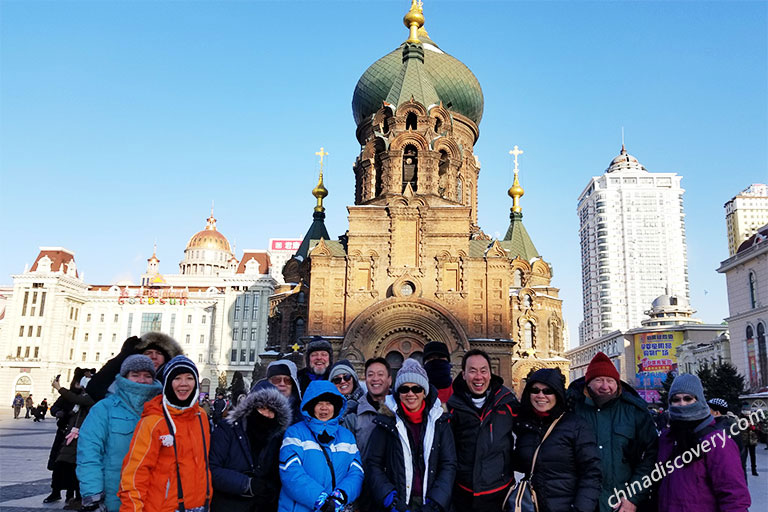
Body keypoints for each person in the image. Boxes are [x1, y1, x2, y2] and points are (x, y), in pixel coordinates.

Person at [567, 351, 658, 512]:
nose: (605, 386)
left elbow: (651, 456)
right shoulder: (572, 408)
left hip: (622, 502)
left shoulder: (635, 411)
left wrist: (633, 497)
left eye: (610, 380)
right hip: (580, 502)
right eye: (598, 380)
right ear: (588, 383)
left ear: (618, 383)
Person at [119, 355, 212, 512]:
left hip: (199, 506)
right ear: (168, 383)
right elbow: (135, 474)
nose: (184, 384)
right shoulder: (154, 421)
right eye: (177, 378)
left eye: (189, 378)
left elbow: (203, 465)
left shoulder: (201, 416)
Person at [366, 358, 456, 512]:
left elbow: (448, 464)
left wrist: (435, 502)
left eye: (416, 389)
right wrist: (390, 499)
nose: (410, 394)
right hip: (397, 503)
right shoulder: (386, 422)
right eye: (404, 389)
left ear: (425, 392)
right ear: (397, 393)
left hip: (430, 502)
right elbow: (373, 464)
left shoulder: (439, 422)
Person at [76, 355, 162, 512]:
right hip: (114, 500)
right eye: (135, 375)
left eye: (147, 376)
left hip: (154, 500)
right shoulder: (104, 409)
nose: (141, 380)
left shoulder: (162, 412)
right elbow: (89, 455)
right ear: (124, 377)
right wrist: (93, 496)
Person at [657, 374, 750, 511]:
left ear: (699, 400)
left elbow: (734, 496)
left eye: (688, 398)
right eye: (676, 399)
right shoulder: (667, 439)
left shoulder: (717, 441)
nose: (682, 404)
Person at [513, 368, 601, 512]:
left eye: (548, 391)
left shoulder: (576, 425)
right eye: (535, 390)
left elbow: (591, 474)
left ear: (558, 394)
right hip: (532, 506)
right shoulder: (523, 426)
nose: (541, 395)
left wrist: (580, 509)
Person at [446, 349, 518, 512]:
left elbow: (530, 431)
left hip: (500, 494)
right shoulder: (452, 407)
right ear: (463, 374)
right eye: (472, 371)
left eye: (483, 370)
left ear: (490, 374)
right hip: (463, 495)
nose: (479, 377)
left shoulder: (506, 402)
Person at [278, 380, 364, 512]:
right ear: (311, 406)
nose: (324, 408)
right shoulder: (295, 433)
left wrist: (340, 497)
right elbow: (290, 471)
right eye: (319, 403)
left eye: (329, 403)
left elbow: (356, 472)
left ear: (335, 407)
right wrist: (319, 499)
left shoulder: (347, 437)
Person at [210, 380, 293, 512]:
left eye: (271, 410)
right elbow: (212, 469)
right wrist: (247, 484)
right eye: (262, 408)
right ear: (250, 408)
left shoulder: (277, 438)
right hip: (228, 505)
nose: (266, 414)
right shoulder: (228, 429)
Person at [86, 332, 183, 402]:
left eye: (159, 353)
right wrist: (123, 356)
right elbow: (94, 388)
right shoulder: (122, 384)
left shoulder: (173, 382)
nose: (154, 357)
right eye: (148, 353)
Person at [51, 374, 95, 510]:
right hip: (71, 437)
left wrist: (58, 387)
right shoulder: (80, 400)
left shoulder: (89, 398)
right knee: (66, 467)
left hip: (81, 439)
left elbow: (74, 398)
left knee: (77, 469)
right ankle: (64, 494)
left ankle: (80, 498)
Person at [266, 359, 303, 424]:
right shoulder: (256, 409)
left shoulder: (301, 413)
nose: (282, 384)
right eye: (276, 380)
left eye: (287, 380)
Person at [329, 359, 364, 424]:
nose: (343, 381)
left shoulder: (366, 402)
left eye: (347, 377)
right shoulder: (326, 407)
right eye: (337, 379)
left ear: (353, 379)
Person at [740, 411, 759, 477]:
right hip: (744, 440)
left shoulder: (753, 419)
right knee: (743, 456)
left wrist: (752, 426)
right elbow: (738, 428)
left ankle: (754, 470)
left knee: (753, 456)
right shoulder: (740, 419)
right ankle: (742, 470)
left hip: (752, 440)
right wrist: (744, 425)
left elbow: (758, 428)